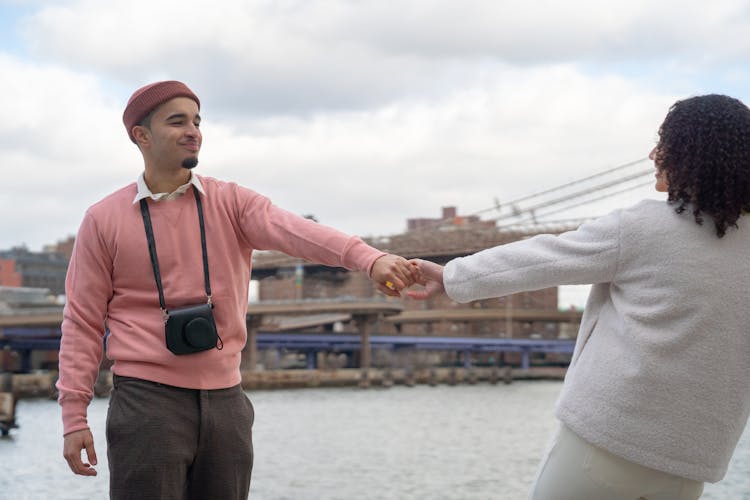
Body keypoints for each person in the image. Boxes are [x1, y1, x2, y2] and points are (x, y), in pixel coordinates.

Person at [57, 80, 419, 499]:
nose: (193, 130)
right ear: (141, 135)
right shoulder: (103, 220)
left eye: (196, 120)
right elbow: (82, 323)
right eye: (177, 121)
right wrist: (74, 418)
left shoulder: (232, 203)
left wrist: (369, 259)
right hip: (146, 404)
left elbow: (299, 233)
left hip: (227, 402)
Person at [408, 94, 750, 500]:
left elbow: (541, 258)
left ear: (689, 154)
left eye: (664, 143)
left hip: (607, 441)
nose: (652, 153)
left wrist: (451, 275)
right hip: (692, 462)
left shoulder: (641, 228)